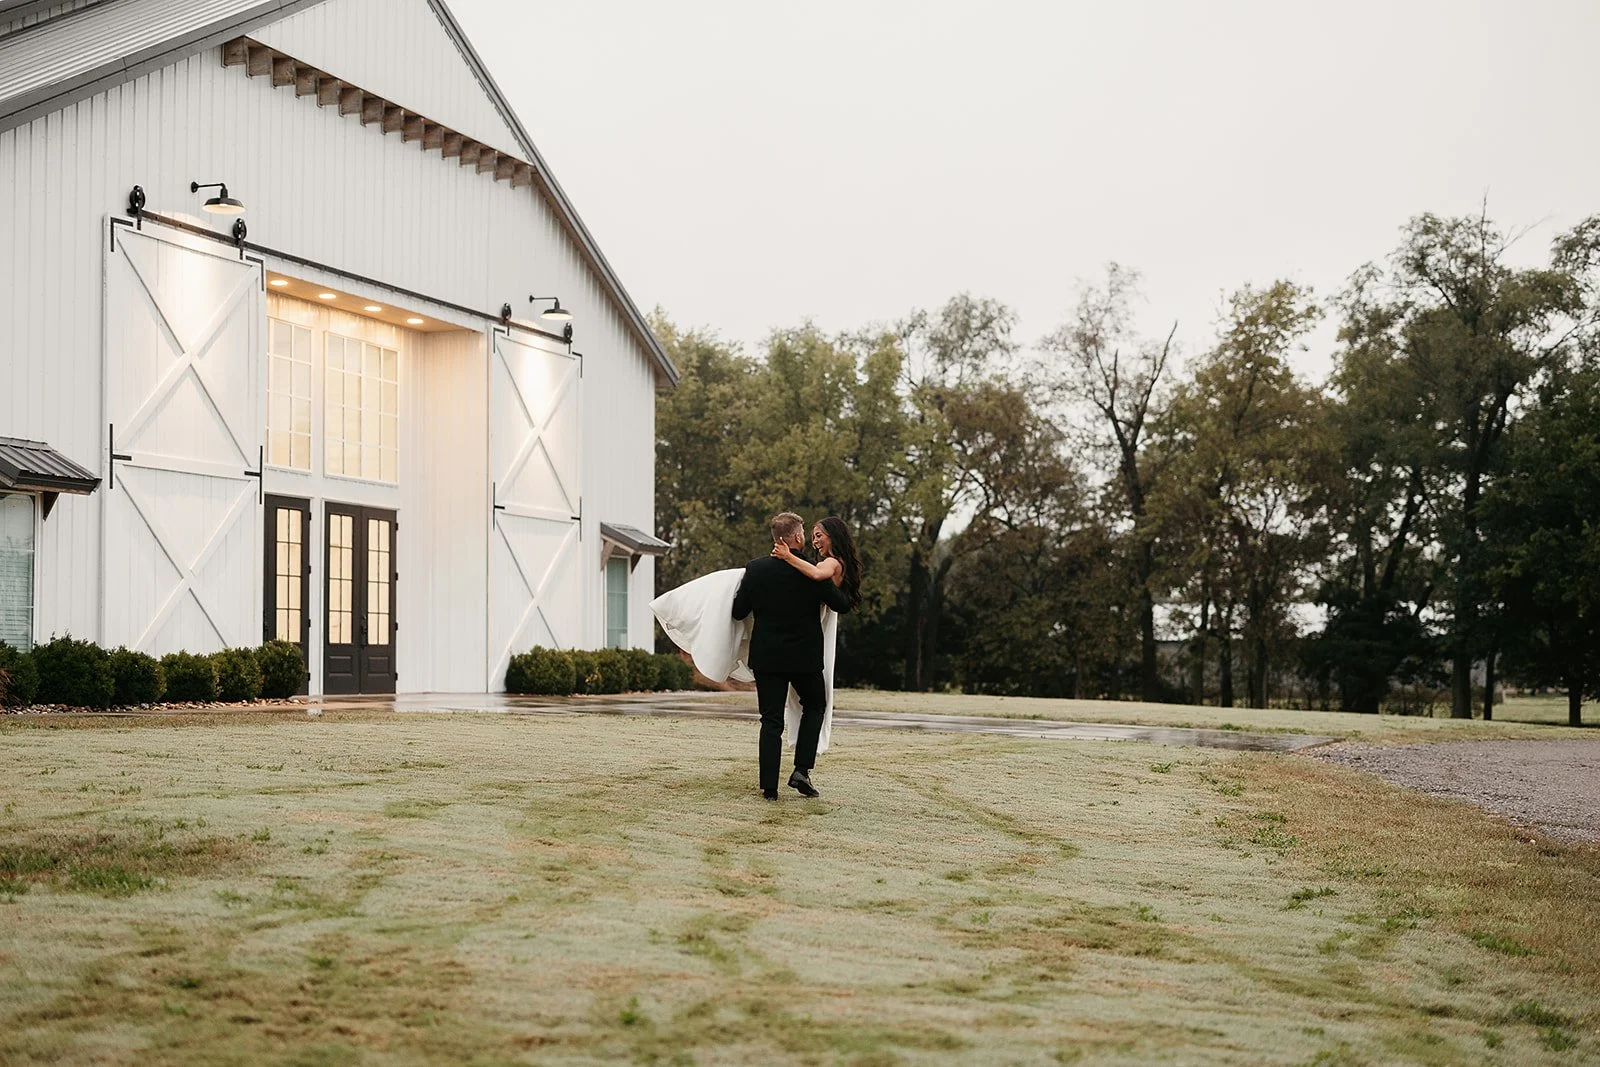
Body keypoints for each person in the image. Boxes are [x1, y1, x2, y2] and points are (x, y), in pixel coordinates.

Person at [731, 513, 854, 799]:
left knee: (771, 720)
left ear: (776, 539)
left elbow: (738, 612)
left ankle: (769, 789)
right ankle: (801, 769)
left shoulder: (755, 569)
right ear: (797, 537)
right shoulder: (813, 570)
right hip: (804, 656)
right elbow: (841, 604)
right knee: (815, 705)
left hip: (767, 657)